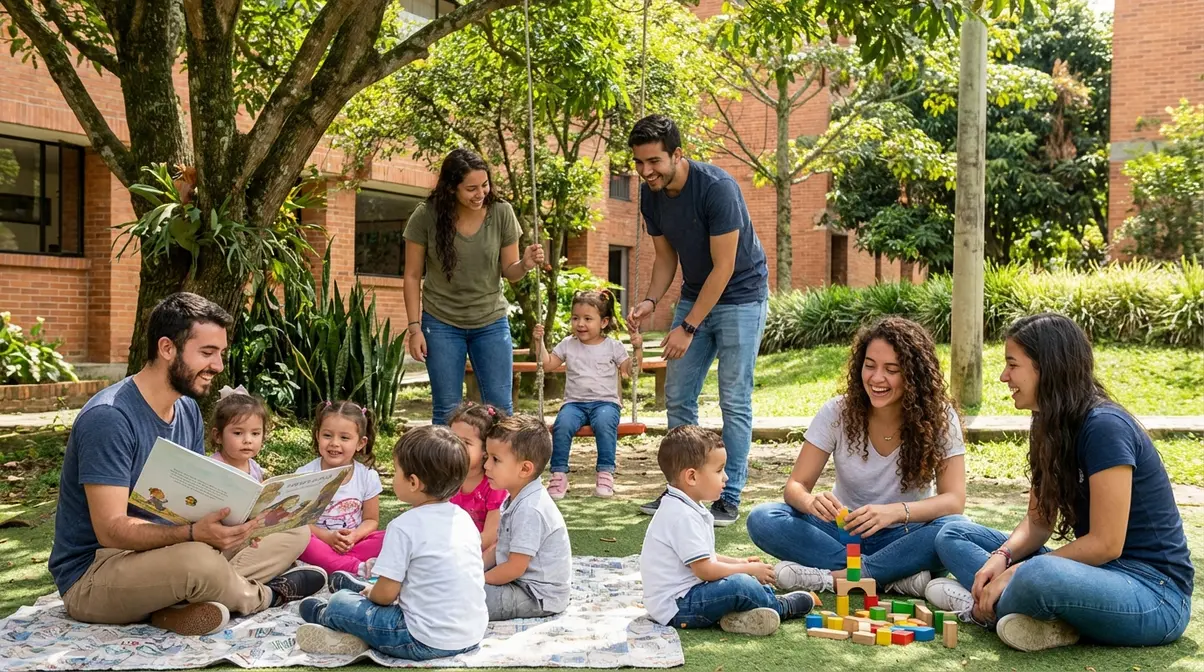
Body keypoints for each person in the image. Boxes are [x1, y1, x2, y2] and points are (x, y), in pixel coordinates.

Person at [47, 293, 324, 636]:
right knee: (198, 562)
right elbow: (111, 530)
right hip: (97, 572)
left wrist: (241, 522)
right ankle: (264, 595)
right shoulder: (110, 418)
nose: (219, 366)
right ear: (167, 348)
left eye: (220, 353)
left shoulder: (187, 409)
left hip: (171, 552)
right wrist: (194, 535)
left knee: (292, 530)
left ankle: (174, 607)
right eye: (207, 353)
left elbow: (194, 500)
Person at [927, 313, 1193, 652]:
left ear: (1047, 367)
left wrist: (1018, 572)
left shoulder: (1105, 427)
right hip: (1091, 576)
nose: (1003, 376)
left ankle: (980, 607)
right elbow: (1038, 523)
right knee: (952, 533)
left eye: (1012, 365)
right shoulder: (1047, 424)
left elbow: (1107, 544)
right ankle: (1030, 615)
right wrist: (1002, 558)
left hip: (1154, 594)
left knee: (1038, 575)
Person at [745, 317, 966, 598]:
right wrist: (810, 501)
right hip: (842, 534)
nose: (876, 378)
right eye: (870, 365)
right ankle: (890, 577)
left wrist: (894, 512)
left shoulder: (940, 418)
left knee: (955, 528)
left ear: (914, 376)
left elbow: (954, 500)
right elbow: (795, 486)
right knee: (763, 518)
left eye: (892, 370)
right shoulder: (837, 412)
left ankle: (835, 577)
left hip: (905, 535)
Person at [625, 114, 770, 526]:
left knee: (733, 399)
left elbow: (723, 268)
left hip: (741, 294)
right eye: (639, 163)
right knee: (678, 395)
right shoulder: (650, 195)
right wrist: (652, 301)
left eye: (653, 161)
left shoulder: (717, 189)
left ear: (677, 154)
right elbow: (666, 257)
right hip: (696, 293)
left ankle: (728, 495)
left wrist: (687, 326)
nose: (646, 171)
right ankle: (682, 493)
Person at [296, 426, 488, 660]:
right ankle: (360, 590)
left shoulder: (404, 526)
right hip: (472, 635)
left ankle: (326, 616)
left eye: (397, 471)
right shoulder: (463, 518)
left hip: (420, 640)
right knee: (376, 592)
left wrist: (372, 597)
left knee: (340, 603)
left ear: (414, 482)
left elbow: (386, 596)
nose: (394, 477)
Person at [403, 148, 546, 425]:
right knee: (447, 408)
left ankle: (502, 467)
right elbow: (411, 276)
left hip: (490, 320)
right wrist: (414, 328)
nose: (480, 193)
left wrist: (526, 263)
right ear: (451, 188)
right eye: (471, 188)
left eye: (484, 185)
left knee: (500, 407)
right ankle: (448, 467)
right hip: (441, 322)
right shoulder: (426, 216)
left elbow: (510, 272)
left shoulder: (501, 213)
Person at [641, 426, 818, 635]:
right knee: (739, 584)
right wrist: (747, 570)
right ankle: (780, 607)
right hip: (679, 607)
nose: (725, 477)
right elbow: (705, 570)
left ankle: (739, 617)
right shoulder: (682, 516)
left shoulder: (684, 505)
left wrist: (739, 562)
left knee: (740, 578)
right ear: (692, 477)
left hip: (685, 599)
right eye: (719, 470)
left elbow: (704, 556)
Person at [531, 289, 643, 500]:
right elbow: (547, 365)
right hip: (574, 403)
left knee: (603, 423)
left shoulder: (613, 346)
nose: (580, 323)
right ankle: (558, 474)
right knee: (561, 426)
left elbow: (631, 371)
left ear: (603, 322)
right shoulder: (568, 344)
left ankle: (605, 473)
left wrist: (638, 349)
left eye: (587, 319)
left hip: (606, 403)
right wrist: (540, 343)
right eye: (576, 318)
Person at [482, 414, 572, 620]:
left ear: (525, 468)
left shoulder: (530, 508)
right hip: (520, 584)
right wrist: (473, 566)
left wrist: (478, 580)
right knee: (457, 587)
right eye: (487, 457)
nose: (486, 465)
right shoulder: (518, 497)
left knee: (466, 597)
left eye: (495, 459)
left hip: (537, 596)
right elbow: (501, 547)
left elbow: (514, 567)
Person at [295, 401, 385, 578]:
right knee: (298, 538)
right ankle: (356, 568)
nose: (334, 443)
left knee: (391, 536)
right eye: (327, 435)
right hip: (319, 541)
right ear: (317, 435)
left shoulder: (367, 476)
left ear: (360, 443)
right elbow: (300, 522)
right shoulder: (304, 475)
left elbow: (371, 520)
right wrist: (327, 537)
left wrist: (354, 536)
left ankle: (333, 563)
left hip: (353, 543)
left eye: (344, 438)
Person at [448, 402, 509, 552]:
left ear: (486, 450)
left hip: (474, 552)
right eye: (452, 439)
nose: (456, 447)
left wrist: (452, 550)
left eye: (466, 442)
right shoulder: (444, 477)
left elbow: (489, 538)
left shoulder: (495, 485)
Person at [209, 385, 268, 482]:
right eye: (238, 433)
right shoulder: (211, 467)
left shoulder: (254, 468)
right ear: (218, 436)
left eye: (255, 433)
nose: (248, 440)